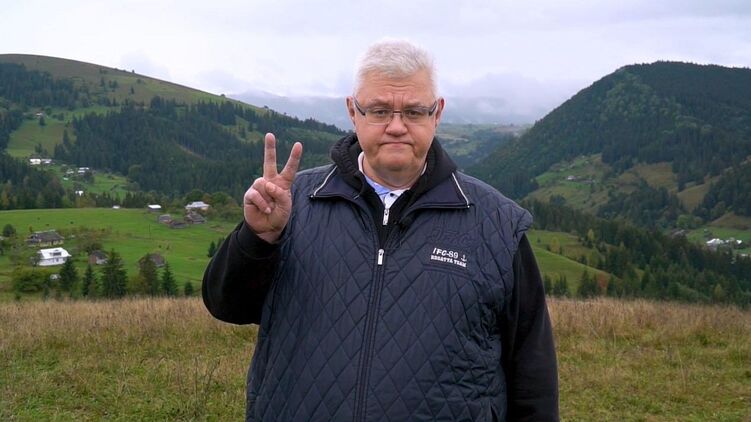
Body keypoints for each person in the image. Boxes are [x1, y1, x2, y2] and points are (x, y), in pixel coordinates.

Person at [203, 39, 559, 421]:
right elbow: (226, 306)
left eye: (414, 111)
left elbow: (533, 377)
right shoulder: (293, 203)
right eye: (379, 111)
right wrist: (258, 239)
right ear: (352, 112)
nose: (396, 127)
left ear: (437, 113)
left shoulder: (497, 224)